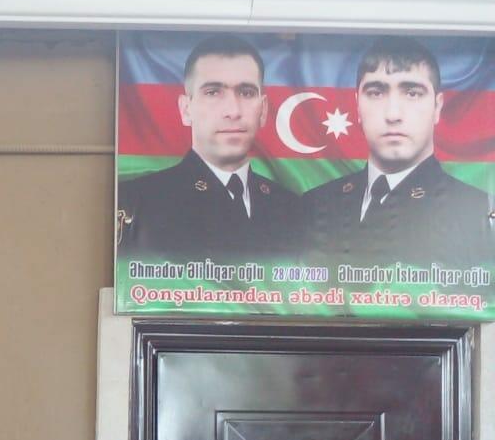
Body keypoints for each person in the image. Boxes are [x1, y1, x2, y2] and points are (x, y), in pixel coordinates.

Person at [303, 37, 494, 268]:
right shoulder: (314, 206)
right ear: (357, 105)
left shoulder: (477, 211)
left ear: (437, 107)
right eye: (376, 92)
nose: (393, 114)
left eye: (412, 93)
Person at [118, 34, 302, 258]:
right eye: (213, 92)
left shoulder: (292, 209)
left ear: (263, 109)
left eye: (246, 93)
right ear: (186, 109)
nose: (233, 111)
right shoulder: (138, 203)